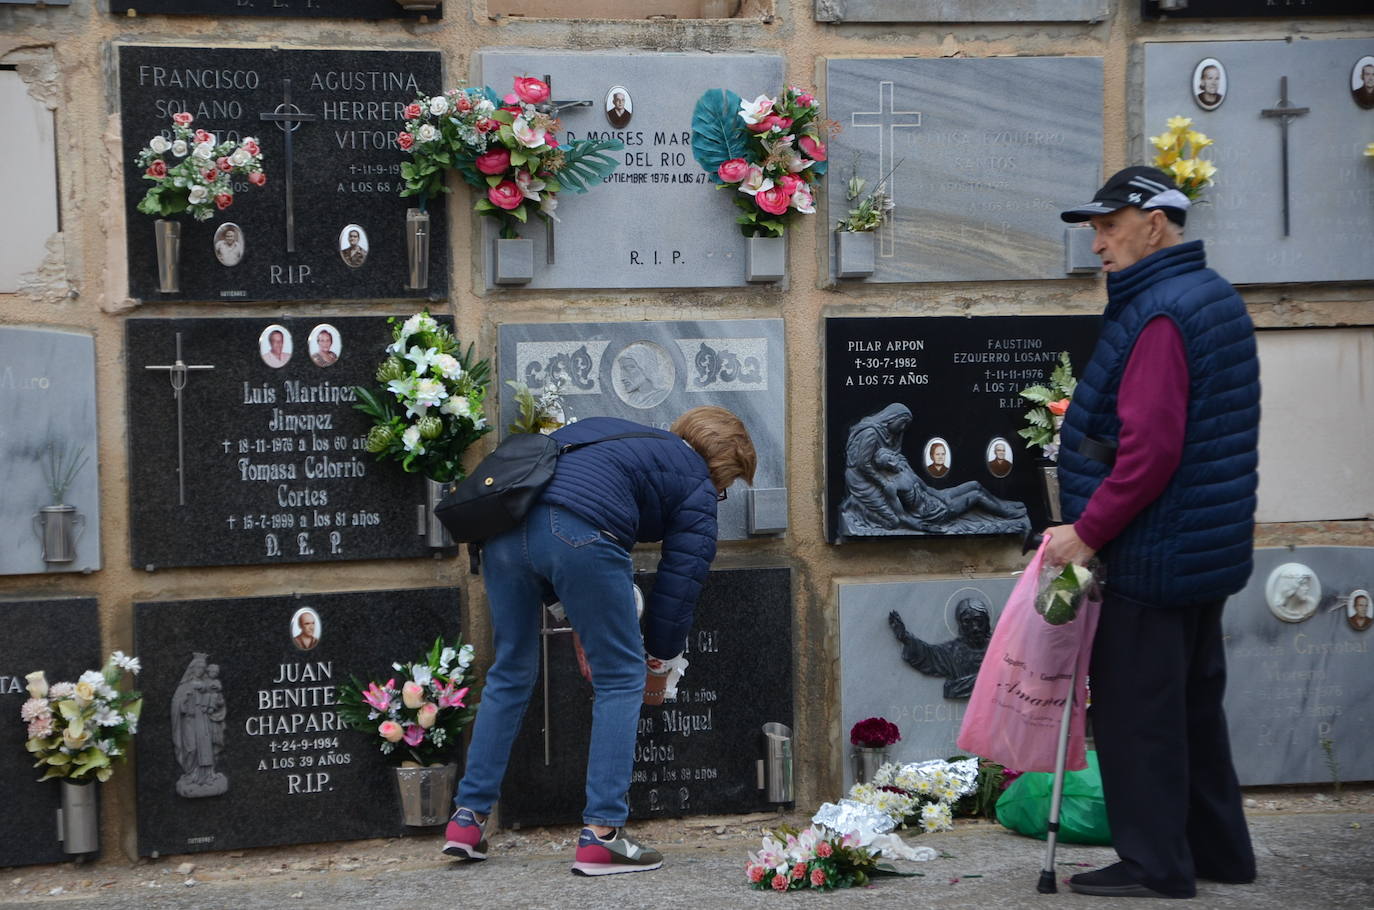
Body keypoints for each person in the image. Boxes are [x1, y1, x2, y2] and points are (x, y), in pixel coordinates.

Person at [1049, 165, 1260, 898]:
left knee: (1141, 715)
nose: (1098, 242)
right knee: (1194, 709)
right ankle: (1220, 853)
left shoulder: (1162, 313)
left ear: (1155, 223)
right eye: (1095, 229)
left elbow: (1151, 451)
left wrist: (1087, 531)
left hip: (1154, 551)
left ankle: (1155, 865)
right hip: (1202, 550)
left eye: (1109, 226)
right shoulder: (1209, 296)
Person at [444, 406, 756, 876]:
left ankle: (467, 822)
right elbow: (680, 582)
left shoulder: (615, 433)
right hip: (581, 533)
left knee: (509, 672)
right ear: (720, 467)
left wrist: (574, 617)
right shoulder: (696, 481)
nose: (720, 494)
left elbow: (544, 527)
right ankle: (602, 836)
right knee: (621, 678)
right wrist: (659, 660)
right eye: (726, 487)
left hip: (503, 534)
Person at [888, 597, 991, 698]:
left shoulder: (999, 649)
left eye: (979, 620)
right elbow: (929, 655)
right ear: (961, 625)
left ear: (986, 622)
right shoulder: (951, 651)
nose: (974, 627)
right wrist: (905, 637)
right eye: (967, 622)